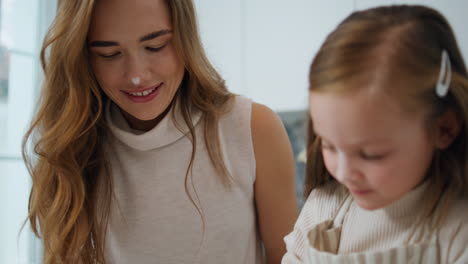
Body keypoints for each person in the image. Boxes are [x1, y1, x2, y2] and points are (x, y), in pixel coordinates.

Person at [22, 0, 298, 263]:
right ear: (84, 57)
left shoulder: (254, 128)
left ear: (186, 38)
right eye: (109, 54)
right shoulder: (74, 145)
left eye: (155, 46)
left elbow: (286, 259)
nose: (136, 75)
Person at [282, 5, 468, 264]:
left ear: (444, 128)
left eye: (371, 154)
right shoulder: (323, 209)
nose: (344, 173)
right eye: (329, 145)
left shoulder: (458, 231)